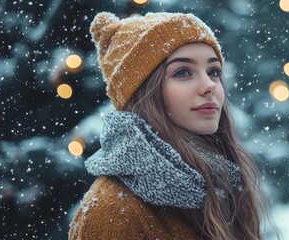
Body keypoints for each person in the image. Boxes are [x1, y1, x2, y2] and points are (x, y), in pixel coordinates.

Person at [69, 11, 270, 240]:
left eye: (213, 72)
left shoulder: (223, 185)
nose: (209, 86)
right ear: (143, 93)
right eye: (182, 72)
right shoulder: (111, 210)